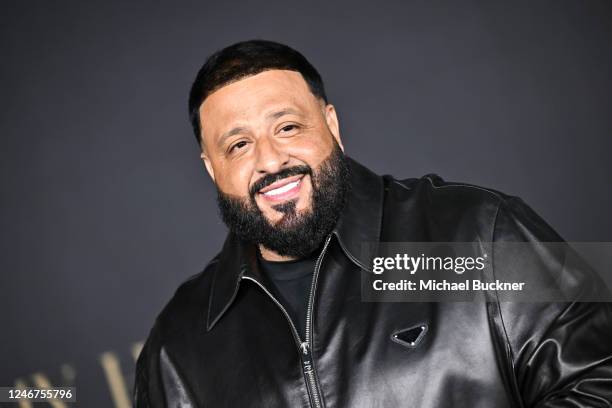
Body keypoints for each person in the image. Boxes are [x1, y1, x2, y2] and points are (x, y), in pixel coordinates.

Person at [133, 40, 612, 407]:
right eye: (238, 145)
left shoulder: (474, 230)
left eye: (288, 127)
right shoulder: (178, 344)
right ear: (212, 168)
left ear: (332, 127)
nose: (271, 160)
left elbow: (598, 381)